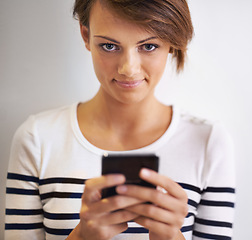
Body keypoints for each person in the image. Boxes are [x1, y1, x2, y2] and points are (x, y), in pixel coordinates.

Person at [5, 0, 236, 239]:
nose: (129, 68)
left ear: (171, 42)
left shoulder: (208, 144)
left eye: (148, 46)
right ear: (86, 35)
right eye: (109, 45)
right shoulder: (38, 139)